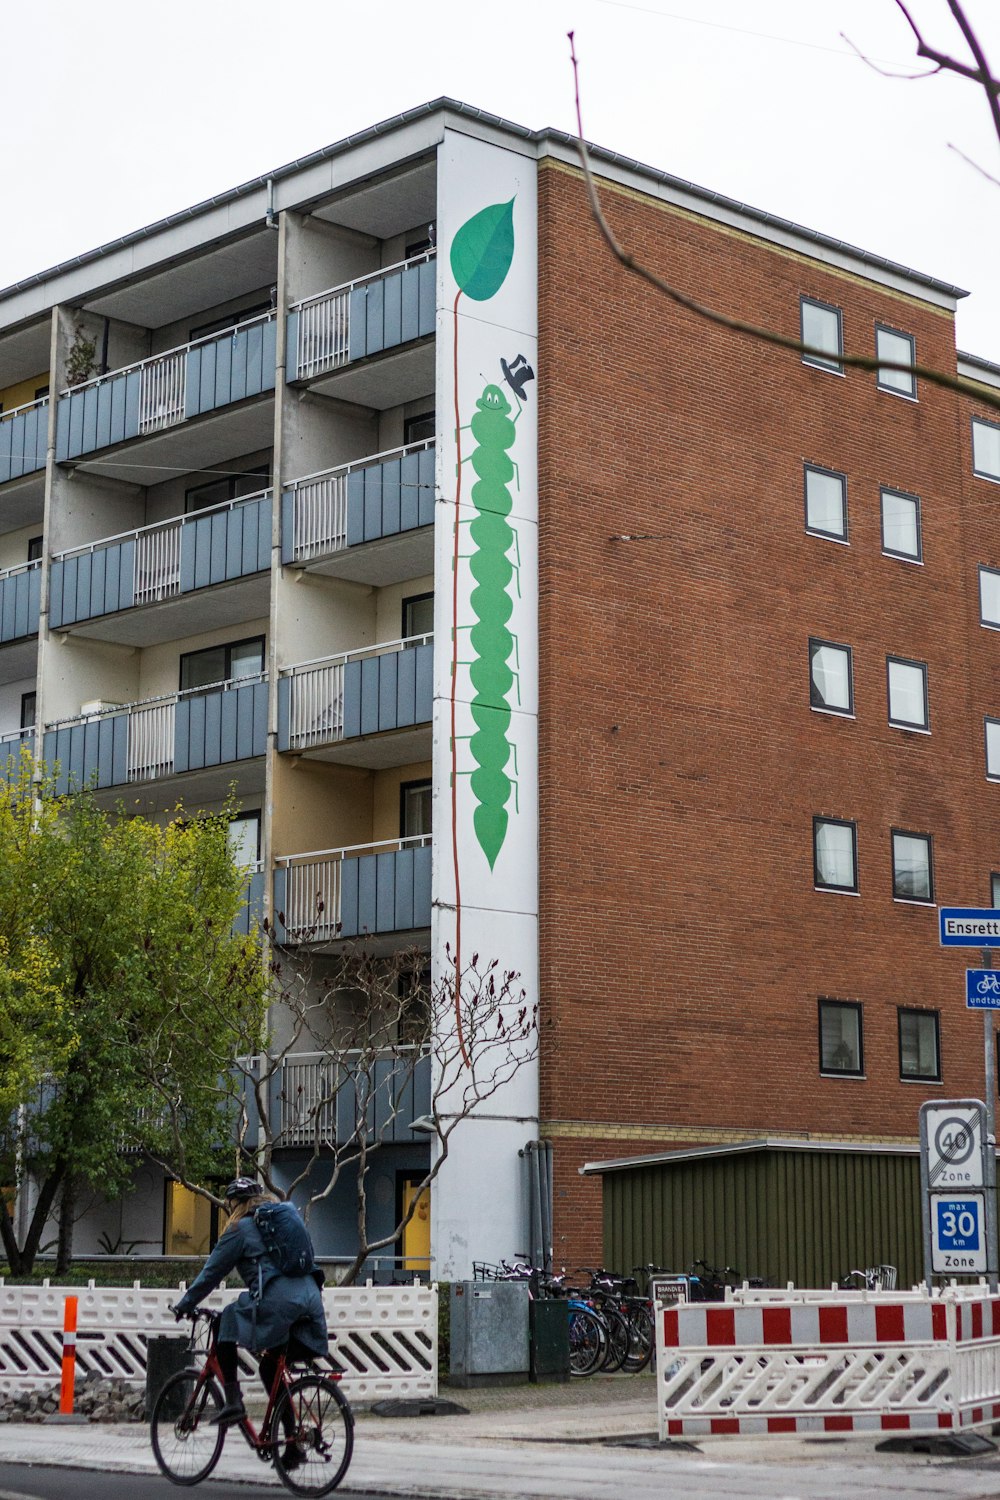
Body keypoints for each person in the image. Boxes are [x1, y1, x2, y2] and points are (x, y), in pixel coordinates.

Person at [172, 1177, 328, 1445]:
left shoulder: (240, 1229)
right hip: (311, 1298)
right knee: (270, 1369)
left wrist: (185, 1304)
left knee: (224, 1321)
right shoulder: (279, 1224)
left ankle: (233, 1401)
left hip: (278, 1302)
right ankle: (292, 1444)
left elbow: (212, 1273)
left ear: (234, 1204)